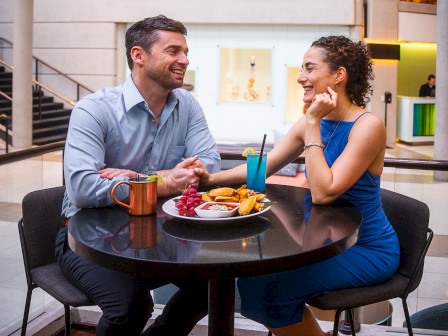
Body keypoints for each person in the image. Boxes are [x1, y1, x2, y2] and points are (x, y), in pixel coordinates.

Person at [195, 35, 400, 335]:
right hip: (323, 242)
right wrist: (212, 179)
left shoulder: (368, 126)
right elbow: (265, 165)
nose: (301, 77)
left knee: (272, 288)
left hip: (365, 247)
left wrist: (313, 123)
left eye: (309, 68)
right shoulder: (310, 121)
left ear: (339, 75)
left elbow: (324, 192)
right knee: (253, 279)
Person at [56, 15, 220, 336]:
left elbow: (209, 166)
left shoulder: (188, 105)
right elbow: (82, 188)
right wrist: (164, 180)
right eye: (174, 51)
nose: (184, 60)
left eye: (185, 51)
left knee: (211, 286)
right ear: (139, 55)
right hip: (88, 240)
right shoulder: (93, 110)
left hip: (157, 235)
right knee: (131, 306)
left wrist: (140, 179)